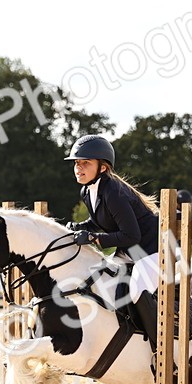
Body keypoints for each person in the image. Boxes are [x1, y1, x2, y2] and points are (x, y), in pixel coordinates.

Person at [64, 134, 162, 352]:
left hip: (154, 252)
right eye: (77, 163)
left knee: (136, 289)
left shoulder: (113, 192)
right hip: (129, 252)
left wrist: (94, 238)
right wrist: (79, 227)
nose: (78, 168)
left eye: (85, 163)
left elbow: (131, 235)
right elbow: (98, 221)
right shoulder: (88, 190)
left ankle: (161, 348)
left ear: (102, 167)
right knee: (95, 277)